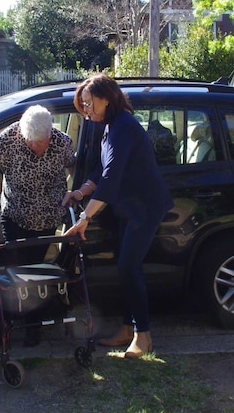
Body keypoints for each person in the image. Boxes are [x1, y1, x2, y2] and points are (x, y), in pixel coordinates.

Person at [62, 73, 173, 359]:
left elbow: (112, 177)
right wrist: (83, 191)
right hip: (129, 207)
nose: (85, 109)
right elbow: (103, 170)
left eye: (88, 103)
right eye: (83, 104)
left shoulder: (123, 125)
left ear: (106, 98)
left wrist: (85, 217)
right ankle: (127, 329)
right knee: (127, 268)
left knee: (128, 267)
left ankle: (143, 336)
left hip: (144, 208)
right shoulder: (111, 125)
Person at [0, 105, 75, 345]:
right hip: (14, 214)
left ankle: (32, 327)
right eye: (30, 142)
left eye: (40, 142)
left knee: (33, 272)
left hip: (46, 219)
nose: (35, 146)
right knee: (12, 269)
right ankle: (5, 321)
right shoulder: (7, 140)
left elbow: (73, 166)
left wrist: (75, 192)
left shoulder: (62, 143)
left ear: (50, 134)